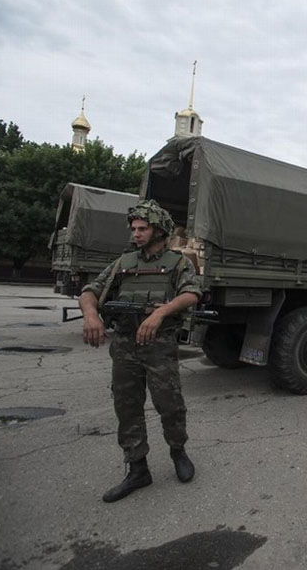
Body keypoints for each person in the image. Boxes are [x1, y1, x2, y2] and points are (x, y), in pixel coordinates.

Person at [79, 199, 202, 503]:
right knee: (127, 406)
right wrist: (91, 315)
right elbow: (89, 291)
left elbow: (191, 293)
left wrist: (160, 314)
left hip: (159, 345)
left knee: (169, 404)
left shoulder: (177, 263)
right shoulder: (123, 263)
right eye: (133, 228)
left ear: (158, 230)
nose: (136, 234)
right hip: (124, 344)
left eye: (142, 228)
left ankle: (178, 452)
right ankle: (137, 469)